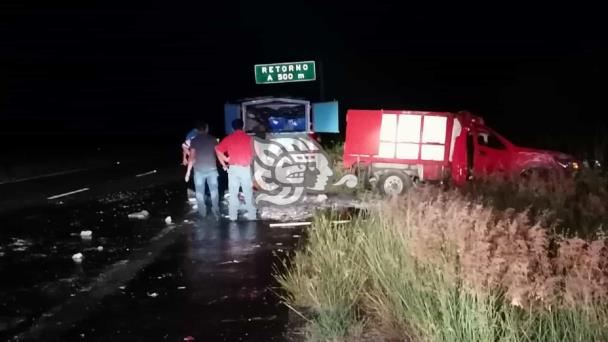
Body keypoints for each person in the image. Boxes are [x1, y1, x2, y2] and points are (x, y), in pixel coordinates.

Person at [215, 119, 256, 221]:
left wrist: (224, 161)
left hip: (233, 169)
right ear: (243, 126)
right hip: (246, 169)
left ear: (233, 128)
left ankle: (233, 217)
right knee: (248, 193)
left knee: (233, 194)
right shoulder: (250, 139)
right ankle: (252, 216)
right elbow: (256, 154)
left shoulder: (229, 138)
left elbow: (217, 149)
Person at [185, 122, 220, 219]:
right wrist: (224, 163)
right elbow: (218, 153)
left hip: (199, 170)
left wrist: (188, 173)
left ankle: (202, 212)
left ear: (197, 130)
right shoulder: (213, 139)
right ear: (206, 129)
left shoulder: (194, 141)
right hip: (212, 169)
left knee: (199, 192)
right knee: (214, 191)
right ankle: (216, 210)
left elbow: (191, 157)